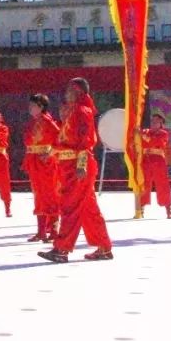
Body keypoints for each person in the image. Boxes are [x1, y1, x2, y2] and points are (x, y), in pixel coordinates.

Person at [38, 77, 113, 263]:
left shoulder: (83, 111)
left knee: (70, 207)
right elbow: (64, 140)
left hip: (78, 167)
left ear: (79, 92)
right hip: (68, 166)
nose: (66, 93)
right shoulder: (72, 112)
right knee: (88, 209)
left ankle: (61, 249)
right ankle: (104, 247)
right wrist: (51, 151)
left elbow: (86, 141)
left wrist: (81, 165)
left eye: (71, 90)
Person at [22, 93, 60, 242]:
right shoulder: (32, 122)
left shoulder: (48, 121)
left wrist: (50, 153)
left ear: (41, 106)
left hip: (46, 163)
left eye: (33, 105)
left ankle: (54, 230)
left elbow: (59, 138)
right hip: (34, 162)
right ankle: (41, 231)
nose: (30, 108)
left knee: (50, 194)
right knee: (38, 195)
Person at [139, 114, 171, 219]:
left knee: (162, 184)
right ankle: (141, 207)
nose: (153, 123)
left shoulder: (164, 133)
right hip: (146, 160)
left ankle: (168, 209)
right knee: (144, 184)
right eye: (152, 121)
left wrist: (142, 136)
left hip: (158, 161)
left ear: (160, 123)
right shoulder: (145, 131)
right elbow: (141, 143)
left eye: (156, 121)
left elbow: (153, 142)